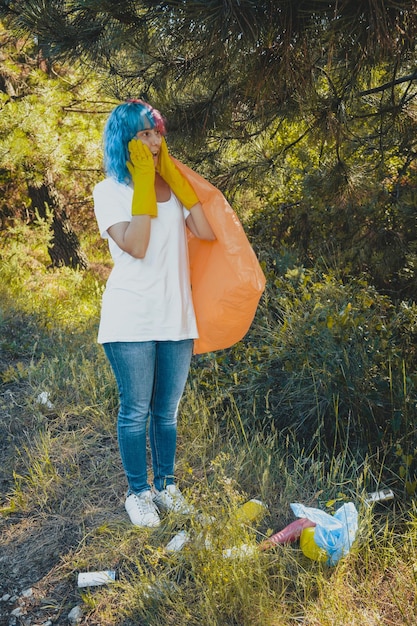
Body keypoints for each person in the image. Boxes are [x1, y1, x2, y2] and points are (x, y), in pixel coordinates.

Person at [93, 99, 215, 528]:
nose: (154, 141)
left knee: (167, 412)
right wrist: (145, 181)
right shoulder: (110, 191)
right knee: (136, 409)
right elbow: (138, 245)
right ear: (125, 141)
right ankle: (138, 493)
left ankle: (165, 486)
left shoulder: (168, 182)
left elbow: (205, 231)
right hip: (130, 317)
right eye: (144, 134)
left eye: (157, 132)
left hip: (176, 316)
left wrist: (180, 187)